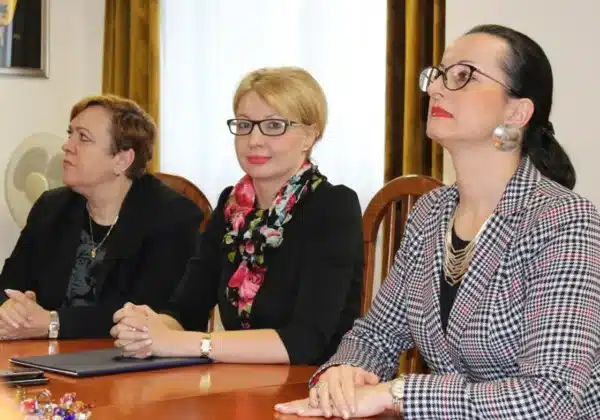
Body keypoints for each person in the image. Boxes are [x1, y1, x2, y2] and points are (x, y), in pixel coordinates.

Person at [275, 24, 600, 419]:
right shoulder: (430, 212)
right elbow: (376, 334)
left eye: (464, 75)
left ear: (516, 112)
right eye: (439, 74)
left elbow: (551, 398)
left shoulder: (564, 220)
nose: (435, 89)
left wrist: (396, 393)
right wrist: (345, 372)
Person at [110, 66, 363, 366]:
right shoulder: (233, 207)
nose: (253, 139)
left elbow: (304, 343)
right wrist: (146, 329)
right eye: (244, 125)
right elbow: (185, 310)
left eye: (273, 126)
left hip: (315, 382)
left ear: (309, 135)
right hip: (238, 378)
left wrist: (185, 342)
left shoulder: (333, 206)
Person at [0, 94, 203, 340]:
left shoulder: (172, 217)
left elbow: (150, 312)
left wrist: (53, 322)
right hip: (42, 354)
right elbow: (9, 285)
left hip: (129, 358)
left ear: (122, 160)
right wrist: (12, 309)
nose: (67, 146)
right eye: (70, 134)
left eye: (83, 138)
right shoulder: (51, 208)